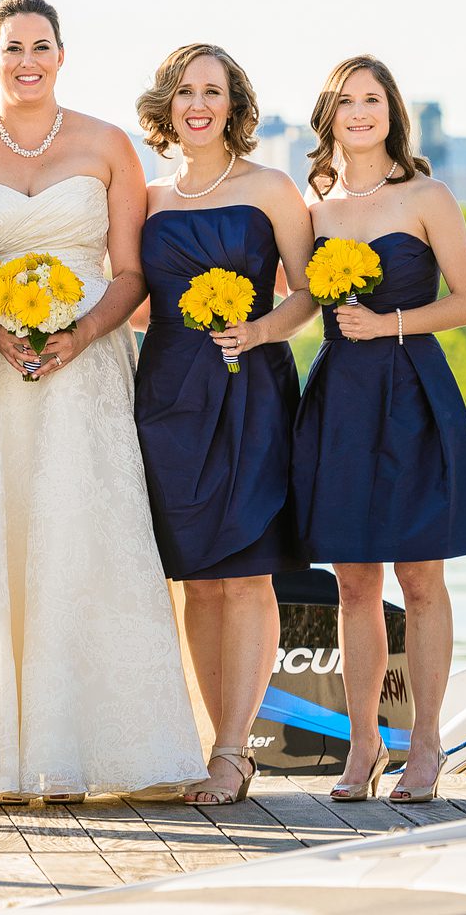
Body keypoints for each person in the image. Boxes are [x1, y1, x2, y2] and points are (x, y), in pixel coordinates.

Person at [0, 0, 205, 800]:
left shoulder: (108, 144)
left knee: (86, 535)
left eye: (41, 44)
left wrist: (78, 335)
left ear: (62, 55)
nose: (27, 58)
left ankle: (91, 752)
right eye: (13, 46)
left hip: (91, 370)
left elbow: (133, 271)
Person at [291, 54, 466, 805]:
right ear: (330, 117)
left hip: (413, 392)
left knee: (422, 577)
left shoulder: (428, 195)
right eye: (346, 101)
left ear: (392, 111)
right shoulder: (315, 205)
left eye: (372, 99)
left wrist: (389, 323)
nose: (360, 112)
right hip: (339, 398)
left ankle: (428, 741)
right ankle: (364, 742)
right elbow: (297, 302)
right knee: (352, 583)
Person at [131, 43, 319, 805]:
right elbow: (136, 299)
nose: (198, 104)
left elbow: (308, 296)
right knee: (192, 581)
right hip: (169, 393)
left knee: (244, 574)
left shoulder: (273, 188)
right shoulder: (145, 198)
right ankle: (203, 737)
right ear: (167, 105)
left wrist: (260, 332)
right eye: (185, 91)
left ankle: (235, 749)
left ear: (235, 106)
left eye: (212, 91)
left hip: (253, 389)